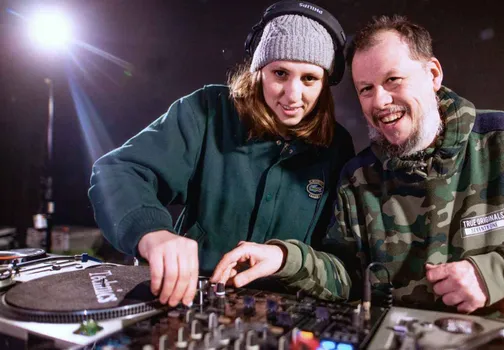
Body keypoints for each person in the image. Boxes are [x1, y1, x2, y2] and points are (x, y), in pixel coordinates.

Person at [211, 15, 504, 322]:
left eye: (393, 80)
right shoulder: (358, 178)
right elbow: (348, 275)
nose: (380, 101)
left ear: (433, 74)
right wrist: (285, 259)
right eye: (366, 89)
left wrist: (496, 272)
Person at [88, 1, 354, 308]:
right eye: (280, 73)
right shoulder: (207, 111)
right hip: (192, 301)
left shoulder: (338, 147)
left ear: (326, 83)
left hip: (288, 314)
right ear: (258, 71)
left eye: (309, 78)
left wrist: (287, 260)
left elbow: (341, 263)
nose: (293, 95)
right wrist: (151, 232)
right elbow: (117, 172)